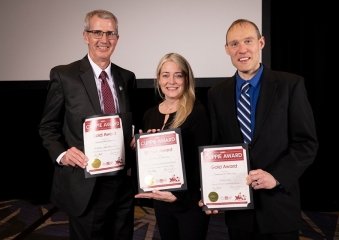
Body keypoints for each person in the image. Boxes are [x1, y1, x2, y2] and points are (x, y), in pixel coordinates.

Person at [202, 19, 318, 240]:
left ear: (261, 43)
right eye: (234, 44)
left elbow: (306, 143)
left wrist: (276, 176)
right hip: (238, 209)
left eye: (248, 41)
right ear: (227, 49)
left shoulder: (290, 85)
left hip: (279, 207)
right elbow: (216, 147)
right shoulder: (217, 94)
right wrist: (212, 193)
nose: (242, 49)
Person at [38, 9, 136, 240]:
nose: (104, 39)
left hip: (121, 184)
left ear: (117, 39)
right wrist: (62, 154)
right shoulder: (65, 75)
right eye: (97, 32)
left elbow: (129, 123)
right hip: (85, 185)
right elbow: (47, 127)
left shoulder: (127, 77)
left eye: (110, 33)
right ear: (85, 36)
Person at [134, 53, 210, 240]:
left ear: (186, 78)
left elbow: (203, 162)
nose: (172, 81)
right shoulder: (150, 114)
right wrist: (139, 148)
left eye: (178, 75)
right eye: (165, 75)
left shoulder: (197, 112)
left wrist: (179, 196)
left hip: (189, 202)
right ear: (158, 79)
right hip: (161, 201)